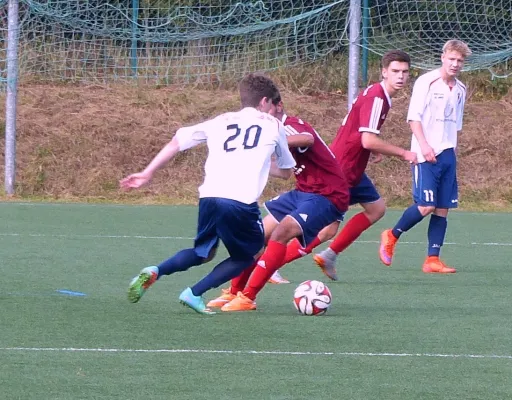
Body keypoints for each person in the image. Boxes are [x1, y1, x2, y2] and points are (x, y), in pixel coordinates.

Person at [120, 73, 296, 315]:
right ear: (264, 101)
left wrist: (147, 173)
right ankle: (194, 292)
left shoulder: (220, 120)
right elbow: (287, 171)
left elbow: (176, 141)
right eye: (274, 107)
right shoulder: (273, 124)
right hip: (240, 201)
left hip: (209, 196)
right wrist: (269, 163)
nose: (275, 113)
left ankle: (155, 271)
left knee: (203, 253)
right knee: (249, 255)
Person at [278, 50, 418, 281]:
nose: (400, 76)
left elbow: (360, 132)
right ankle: (273, 264)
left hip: (350, 166)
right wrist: (404, 153)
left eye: (404, 72)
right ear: (384, 72)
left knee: (376, 209)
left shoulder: (377, 94)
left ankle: (328, 256)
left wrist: (370, 150)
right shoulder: (377, 98)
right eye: (395, 71)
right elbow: (368, 139)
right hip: (342, 169)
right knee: (325, 229)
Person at [207, 98, 350, 312]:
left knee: (282, 232)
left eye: (264, 110)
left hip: (328, 194)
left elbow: (307, 138)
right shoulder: (267, 134)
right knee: (256, 236)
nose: (260, 116)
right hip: (304, 191)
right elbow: (282, 172)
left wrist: (274, 138)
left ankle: (248, 297)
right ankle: (234, 291)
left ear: (278, 106)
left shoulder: (289, 125)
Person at [379, 40, 471, 274]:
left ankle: (432, 259)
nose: (455, 64)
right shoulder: (426, 82)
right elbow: (413, 118)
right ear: (443, 57)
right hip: (426, 153)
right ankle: (392, 234)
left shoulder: (460, 89)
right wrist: (424, 146)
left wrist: (452, 153)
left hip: (448, 154)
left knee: (442, 207)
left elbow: (455, 125)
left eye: (460, 61)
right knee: (426, 205)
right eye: (452, 59)